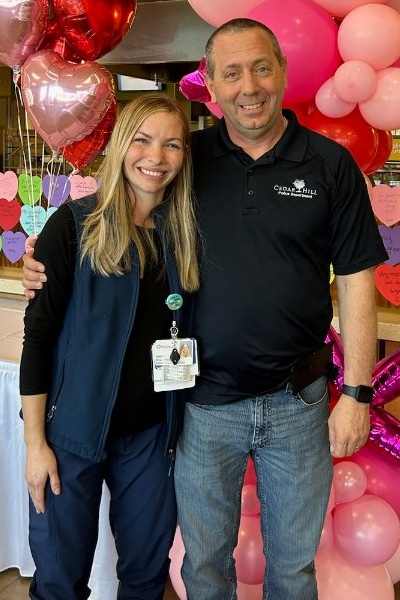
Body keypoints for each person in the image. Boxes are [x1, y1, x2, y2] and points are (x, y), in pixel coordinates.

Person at [22, 18, 388, 600]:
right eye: (232, 73)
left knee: (294, 569)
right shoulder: (188, 161)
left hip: (299, 402)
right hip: (203, 407)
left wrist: (358, 393)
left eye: (261, 67)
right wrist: (52, 249)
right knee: (204, 567)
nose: (249, 86)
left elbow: (356, 281)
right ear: (211, 88)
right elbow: (125, 195)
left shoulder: (329, 165)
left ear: (283, 73)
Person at [19, 93, 199, 600]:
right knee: (59, 579)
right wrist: (36, 445)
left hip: (150, 438)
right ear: (121, 145)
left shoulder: (183, 234)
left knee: (145, 575)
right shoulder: (73, 226)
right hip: (70, 435)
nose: (155, 157)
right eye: (142, 140)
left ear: (185, 156)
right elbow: (39, 340)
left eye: (171, 145)